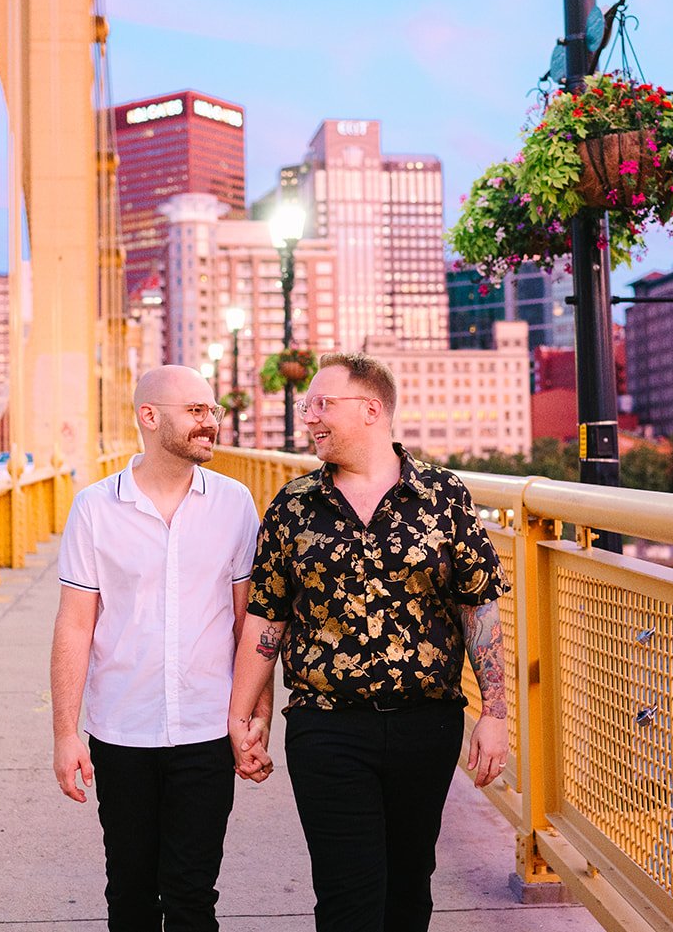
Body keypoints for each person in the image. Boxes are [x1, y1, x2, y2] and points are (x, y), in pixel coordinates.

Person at [228, 352, 510, 932]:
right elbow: (265, 617)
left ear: (372, 410)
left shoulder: (444, 496)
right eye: (308, 405)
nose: (309, 417)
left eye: (322, 404)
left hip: (426, 724)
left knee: (408, 891)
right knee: (347, 899)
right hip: (326, 726)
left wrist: (496, 714)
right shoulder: (293, 505)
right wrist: (243, 717)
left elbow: (477, 605)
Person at [51, 364, 272, 932]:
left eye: (212, 411)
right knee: (129, 894)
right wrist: (64, 733)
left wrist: (255, 715)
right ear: (149, 418)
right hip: (122, 730)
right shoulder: (96, 508)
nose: (211, 423)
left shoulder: (235, 502)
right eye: (196, 411)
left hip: (205, 728)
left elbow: (251, 621)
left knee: (194, 896)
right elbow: (75, 624)